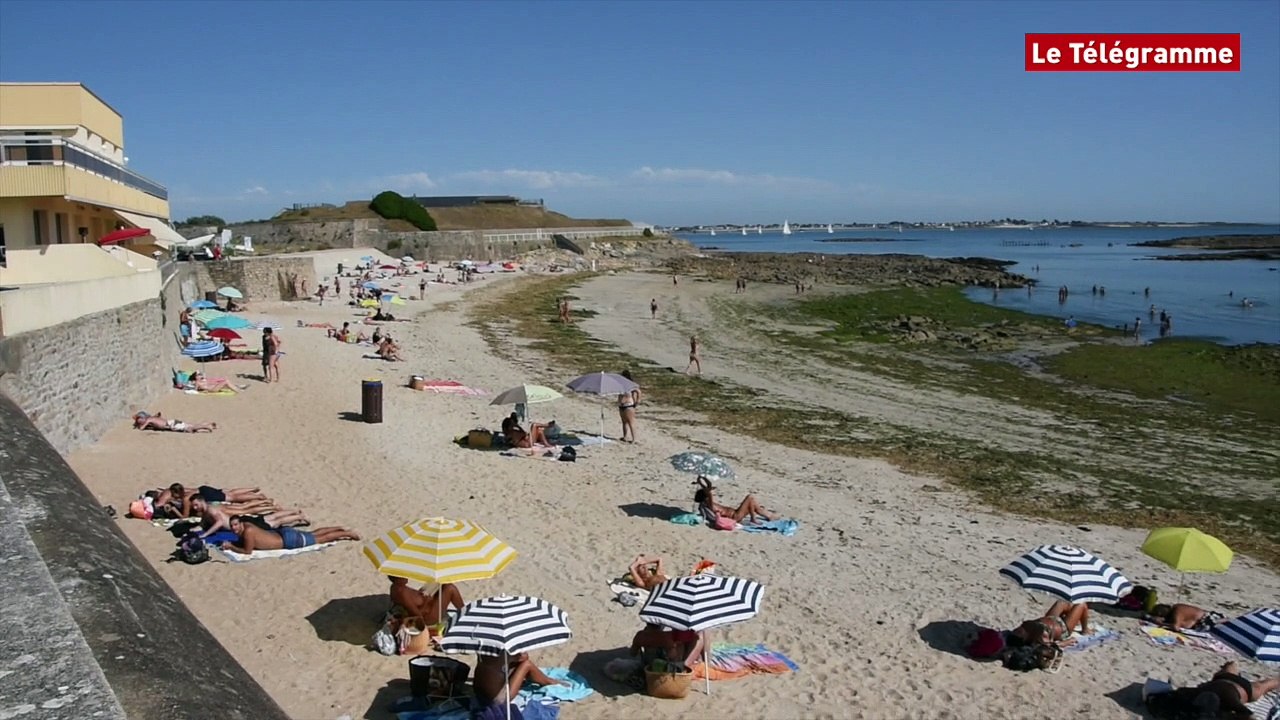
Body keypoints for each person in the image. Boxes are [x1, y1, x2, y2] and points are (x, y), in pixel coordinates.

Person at [1150, 662, 1280, 718]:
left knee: (1267, 684)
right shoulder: (1199, 693)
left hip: (1244, 689)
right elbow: (1181, 691)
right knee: (1267, 684)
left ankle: (1232, 665)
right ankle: (1232, 665)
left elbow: (1249, 715)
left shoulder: (1229, 700)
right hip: (1225, 680)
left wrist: (1227, 716)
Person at [473, 653, 566, 711]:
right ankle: (548, 681)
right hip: (499, 700)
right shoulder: (503, 653)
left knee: (516, 664)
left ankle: (537, 678)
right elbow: (524, 657)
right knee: (527, 664)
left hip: (479, 693)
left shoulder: (484, 650)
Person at [221, 516, 359, 553]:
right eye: (232, 526)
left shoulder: (248, 532)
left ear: (240, 524)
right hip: (283, 533)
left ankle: (347, 533)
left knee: (319, 539)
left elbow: (247, 551)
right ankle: (338, 528)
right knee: (313, 533)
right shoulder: (247, 525)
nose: (233, 528)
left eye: (235, 525)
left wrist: (231, 547)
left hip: (288, 541)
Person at [694, 477, 777, 524]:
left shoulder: (706, 503)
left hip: (736, 513)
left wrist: (700, 480)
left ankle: (769, 516)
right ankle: (753, 518)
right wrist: (704, 479)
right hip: (736, 516)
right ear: (706, 496)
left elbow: (707, 488)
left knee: (753, 504)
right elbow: (709, 488)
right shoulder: (710, 504)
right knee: (750, 497)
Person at [1008, 601, 1091, 646]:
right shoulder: (1038, 637)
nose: (1018, 629)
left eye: (1017, 630)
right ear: (1024, 639)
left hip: (1050, 618)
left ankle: (1074, 617)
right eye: (1019, 632)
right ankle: (1085, 630)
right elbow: (1051, 645)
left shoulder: (1024, 628)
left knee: (1060, 603)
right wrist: (1066, 642)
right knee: (1082, 604)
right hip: (1063, 628)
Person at [388, 577, 464, 627]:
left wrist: (421, 595)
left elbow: (410, 603)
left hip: (426, 605)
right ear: (398, 576)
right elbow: (417, 616)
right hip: (428, 617)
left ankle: (464, 611)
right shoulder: (402, 592)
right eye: (403, 574)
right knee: (449, 588)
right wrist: (426, 601)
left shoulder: (395, 587)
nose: (407, 576)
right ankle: (465, 614)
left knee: (440, 581)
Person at [1150, 603, 1224, 633]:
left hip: (1209, 620)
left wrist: (1162, 623)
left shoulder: (1177, 610)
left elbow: (1176, 628)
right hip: (1205, 620)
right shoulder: (1177, 608)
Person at [133, 411, 216, 433]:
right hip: (172, 422)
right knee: (190, 426)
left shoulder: (149, 420)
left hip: (171, 424)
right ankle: (208, 424)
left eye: (139, 420)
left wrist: (138, 425)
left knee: (190, 428)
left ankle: (206, 427)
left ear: (143, 418)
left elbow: (141, 429)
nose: (139, 421)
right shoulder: (152, 418)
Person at [618, 370, 640, 443]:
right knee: (624, 422)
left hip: (629, 405)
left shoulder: (630, 385)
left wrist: (637, 400)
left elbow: (638, 391)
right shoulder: (620, 384)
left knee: (631, 422)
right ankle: (625, 436)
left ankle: (634, 439)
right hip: (622, 405)